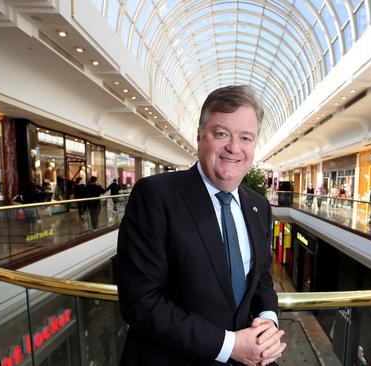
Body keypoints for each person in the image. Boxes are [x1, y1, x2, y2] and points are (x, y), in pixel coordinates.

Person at [117, 85, 285, 365]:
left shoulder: (259, 206)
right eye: (221, 134)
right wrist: (231, 345)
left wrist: (268, 319)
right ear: (199, 137)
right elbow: (141, 303)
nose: (234, 147)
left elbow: (263, 278)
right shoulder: (155, 196)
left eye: (246, 137)